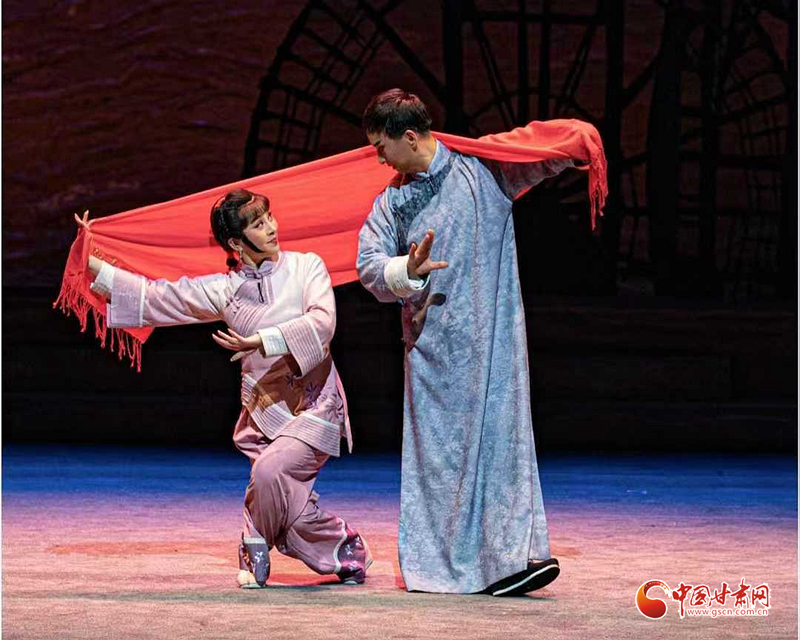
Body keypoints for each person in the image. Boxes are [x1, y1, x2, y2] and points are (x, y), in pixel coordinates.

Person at [76, 189, 371, 588]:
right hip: (265, 411)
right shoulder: (226, 290)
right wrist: (89, 259)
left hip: (315, 405)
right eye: (258, 224)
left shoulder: (307, 267)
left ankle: (253, 544)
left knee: (269, 472)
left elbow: (323, 324)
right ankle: (346, 551)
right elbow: (160, 298)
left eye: (269, 218)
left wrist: (263, 341)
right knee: (289, 505)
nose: (272, 228)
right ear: (235, 242)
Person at [357, 89, 573, 595]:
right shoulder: (393, 202)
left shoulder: (483, 173)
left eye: (381, 146)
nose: (380, 158)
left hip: (495, 345)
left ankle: (508, 561)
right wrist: (405, 270)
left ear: (410, 137)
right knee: (441, 466)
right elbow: (368, 264)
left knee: (502, 450)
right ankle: (442, 568)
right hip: (434, 355)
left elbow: (538, 157)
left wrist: (577, 146)